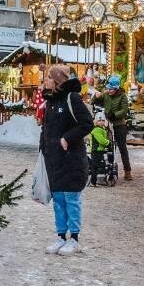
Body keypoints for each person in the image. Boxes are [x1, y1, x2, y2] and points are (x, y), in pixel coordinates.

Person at [39, 62, 91, 253]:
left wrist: (66, 139)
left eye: (49, 77)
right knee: (59, 200)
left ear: (58, 81)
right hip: (54, 159)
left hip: (71, 159)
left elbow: (87, 123)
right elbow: (46, 129)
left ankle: (74, 238)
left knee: (71, 198)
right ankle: (61, 236)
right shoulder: (51, 102)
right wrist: (43, 150)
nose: (46, 80)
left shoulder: (72, 99)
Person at [98, 73, 134, 179]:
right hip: (107, 124)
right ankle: (109, 168)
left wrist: (115, 115)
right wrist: (97, 96)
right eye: (108, 89)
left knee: (122, 147)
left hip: (119, 124)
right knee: (108, 147)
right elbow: (95, 101)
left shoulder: (122, 96)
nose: (109, 91)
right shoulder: (105, 95)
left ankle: (127, 171)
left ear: (116, 89)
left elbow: (124, 110)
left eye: (111, 89)